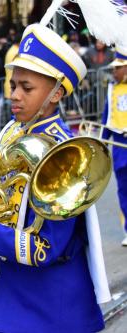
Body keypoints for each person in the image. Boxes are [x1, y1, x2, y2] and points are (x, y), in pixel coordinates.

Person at [0, 20, 111, 332]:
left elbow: (44, 249)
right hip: (14, 291)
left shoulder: (67, 155)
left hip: (54, 302)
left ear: (57, 93)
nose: (15, 95)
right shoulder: (12, 131)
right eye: (12, 85)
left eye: (27, 88)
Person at [101, 46, 127, 246]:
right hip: (119, 143)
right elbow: (106, 118)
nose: (114, 72)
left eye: (117, 68)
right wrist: (102, 142)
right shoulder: (111, 88)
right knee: (123, 189)